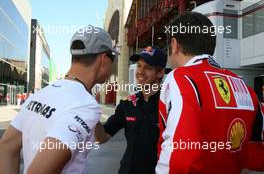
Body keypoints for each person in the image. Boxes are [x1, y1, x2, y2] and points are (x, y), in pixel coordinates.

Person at [0, 25, 118, 174]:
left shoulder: (41, 94)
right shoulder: (84, 104)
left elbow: (7, 147)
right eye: (113, 58)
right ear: (104, 59)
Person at [156, 12, 264, 174]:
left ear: (174, 44)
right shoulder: (245, 87)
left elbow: (181, 157)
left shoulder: (180, 78)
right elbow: (256, 156)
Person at [95, 46, 167, 174]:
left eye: (148, 68)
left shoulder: (168, 104)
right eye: (139, 66)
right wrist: (93, 116)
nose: (140, 72)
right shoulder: (127, 104)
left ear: (160, 72)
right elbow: (103, 137)